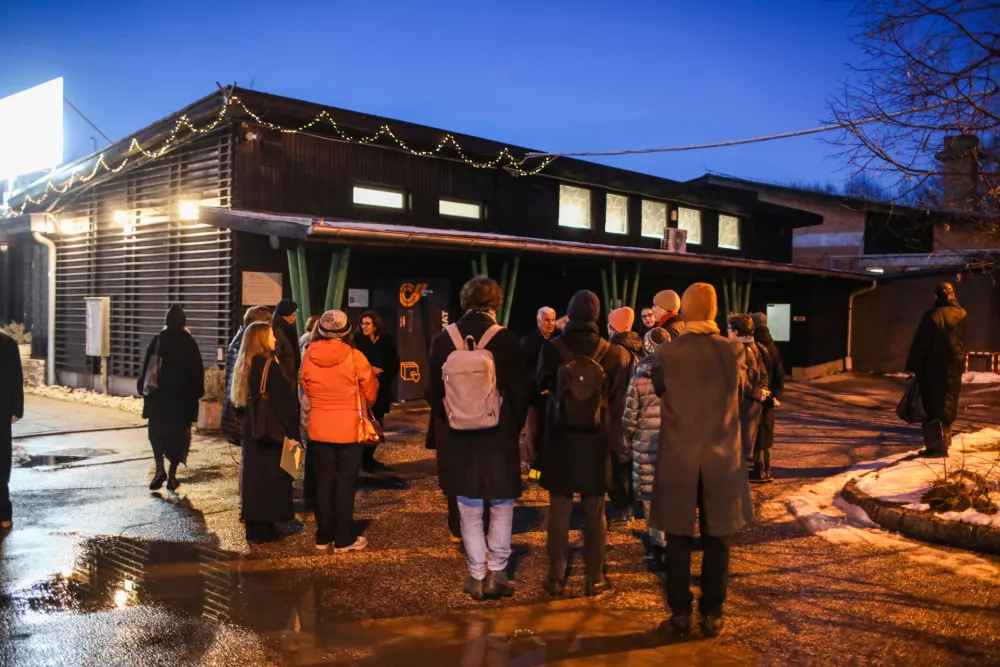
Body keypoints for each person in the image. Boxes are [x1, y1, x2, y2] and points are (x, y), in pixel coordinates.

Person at [650, 283, 753, 638]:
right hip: (722, 456)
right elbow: (742, 389)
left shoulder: (667, 353)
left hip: (679, 455)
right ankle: (713, 612)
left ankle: (680, 612)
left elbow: (660, 388)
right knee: (718, 537)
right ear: (713, 311)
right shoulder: (733, 351)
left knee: (677, 537)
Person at [427, 277, 527, 600]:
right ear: (494, 303)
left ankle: (476, 575)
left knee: (468, 507)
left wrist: (453, 418)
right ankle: (498, 570)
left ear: (464, 301)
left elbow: (432, 393)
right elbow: (520, 393)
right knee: (501, 503)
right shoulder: (507, 340)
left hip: (458, 437)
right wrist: (512, 425)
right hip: (498, 435)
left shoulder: (443, 339)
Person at [537, 290, 630, 598]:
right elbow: (618, 403)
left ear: (570, 314)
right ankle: (594, 578)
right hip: (596, 442)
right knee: (594, 511)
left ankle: (555, 578)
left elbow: (539, 389)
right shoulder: (612, 353)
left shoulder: (552, 349)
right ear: (597, 317)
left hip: (560, 440)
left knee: (559, 511)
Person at [302, 310, 377, 553]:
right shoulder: (356, 357)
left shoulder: (308, 355)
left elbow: (307, 389)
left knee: (323, 482)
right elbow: (371, 394)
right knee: (345, 482)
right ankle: (344, 537)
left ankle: (323, 535)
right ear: (346, 332)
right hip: (349, 429)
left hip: (319, 427)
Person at [231, 321, 300, 544]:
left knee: (255, 479)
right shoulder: (268, 366)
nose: (275, 339)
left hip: (254, 430)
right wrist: (293, 431)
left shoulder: (246, 363)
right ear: (261, 339)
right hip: (272, 431)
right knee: (272, 479)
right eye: (271, 334)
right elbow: (285, 403)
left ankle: (254, 525)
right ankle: (266, 527)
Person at [137, 304, 205, 492]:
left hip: (159, 400)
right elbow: (197, 371)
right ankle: (172, 476)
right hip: (181, 403)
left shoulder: (158, 340)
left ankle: (159, 468)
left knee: (157, 435)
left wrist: (142, 388)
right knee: (178, 439)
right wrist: (198, 392)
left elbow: (147, 368)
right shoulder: (189, 342)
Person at [622, 327, 670, 572]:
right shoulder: (680, 374)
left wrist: (629, 439)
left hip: (647, 443)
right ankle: (673, 542)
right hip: (673, 444)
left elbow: (630, 418)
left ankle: (657, 545)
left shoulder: (639, 377)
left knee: (650, 497)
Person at [905, 282, 968, 457]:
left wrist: (913, 367)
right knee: (948, 404)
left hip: (932, 368)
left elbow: (920, 344)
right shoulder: (962, 314)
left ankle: (935, 448)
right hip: (954, 367)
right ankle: (946, 443)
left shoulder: (932, 316)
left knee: (932, 407)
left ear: (937, 296)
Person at [606, 306, 643, 525]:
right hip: (636, 412)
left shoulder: (614, 351)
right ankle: (630, 503)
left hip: (617, 411)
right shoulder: (639, 346)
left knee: (617, 462)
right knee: (630, 459)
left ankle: (622, 507)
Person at [356, 310, 400, 473]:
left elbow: (395, 364)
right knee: (364, 424)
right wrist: (369, 369)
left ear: (375, 325)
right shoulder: (357, 342)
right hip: (364, 390)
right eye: (362, 323)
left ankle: (368, 459)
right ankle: (361, 460)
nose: (364, 326)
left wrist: (383, 372)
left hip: (382, 389)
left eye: (367, 323)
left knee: (378, 424)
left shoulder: (386, 341)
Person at [222, 306, 273, 447]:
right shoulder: (249, 345)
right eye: (269, 321)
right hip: (245, 408)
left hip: (237, 406)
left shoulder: (239, 340)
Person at [520, 306, 557, 477]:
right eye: (547, 320)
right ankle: (533, 468)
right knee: (534, 433)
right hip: (534, 396)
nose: (550, 323)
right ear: (538, 321)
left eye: (552, 319)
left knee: (545, 432)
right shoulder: (528, 342)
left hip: (549, 396)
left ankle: (542, 466)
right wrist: (540, 386)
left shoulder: (555, 341)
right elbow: (526, 371)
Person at [727, 314, 770, 464]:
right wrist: (763, 391)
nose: (728, 332)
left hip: (743, 404)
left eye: (729, 329)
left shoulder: (738, 350)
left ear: (736, 332)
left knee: (738, 452)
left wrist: (759, 392)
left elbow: (741, 382)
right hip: (754, 405)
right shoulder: (754, 346)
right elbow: (764, 373)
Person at [750, 312, 784, 483]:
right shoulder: (773, 345)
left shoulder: (753, 345)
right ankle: (767, 469)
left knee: (756, 433)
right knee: (767, 431)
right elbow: (779, 373)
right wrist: (777, 395)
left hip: (757, 395)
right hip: (771, 397)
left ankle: (757, 470)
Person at [0, 328, 23, 531]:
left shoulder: (7, 343)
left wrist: (16, 408)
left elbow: (16, 376)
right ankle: (4, 515)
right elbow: (16, 376)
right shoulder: (7, 343)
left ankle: (4, 514)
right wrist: (17, 408)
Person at [299, 314, 321, 508]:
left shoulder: (307, 349)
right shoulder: (347, 354)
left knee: (313, 449)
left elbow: (302, 378)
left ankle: (311, 492)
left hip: (309, 404)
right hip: (321, 407)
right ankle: (317, 493)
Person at [272, 299, 301, 387]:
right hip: (285, 379)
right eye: (293, 314)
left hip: (289, 376)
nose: (294, 317)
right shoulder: (278, 330)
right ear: (287, 316)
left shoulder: (286, 328)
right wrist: (286, 379)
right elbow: (277, 357)